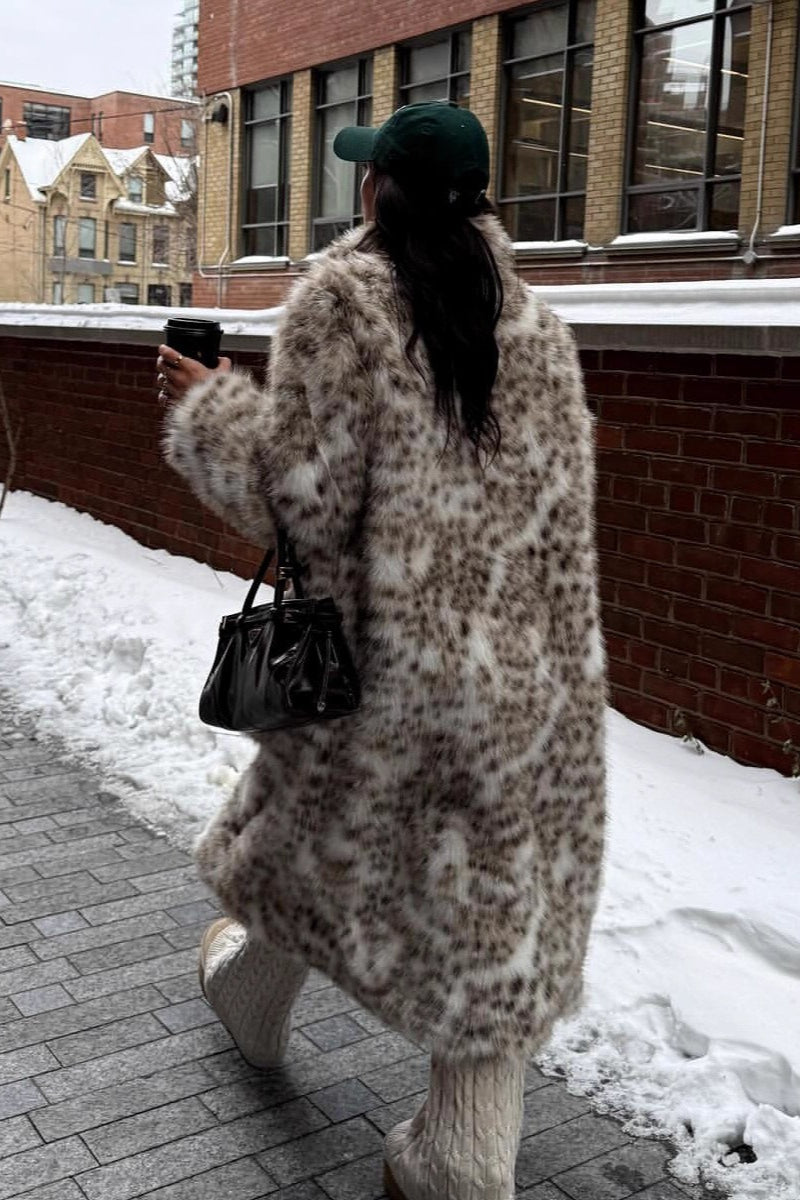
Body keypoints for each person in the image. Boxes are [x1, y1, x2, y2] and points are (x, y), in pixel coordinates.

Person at [156, 102, 606, 1200]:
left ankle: (447, 1150)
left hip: (383, 674)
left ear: (378, 189)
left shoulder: (343, 306)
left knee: (319, 829)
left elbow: (299, 503)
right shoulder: (540, 331)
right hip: (526, 684)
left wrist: (208, 411)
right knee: (484, 909)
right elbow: (559, 532)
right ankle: (438, 1133)